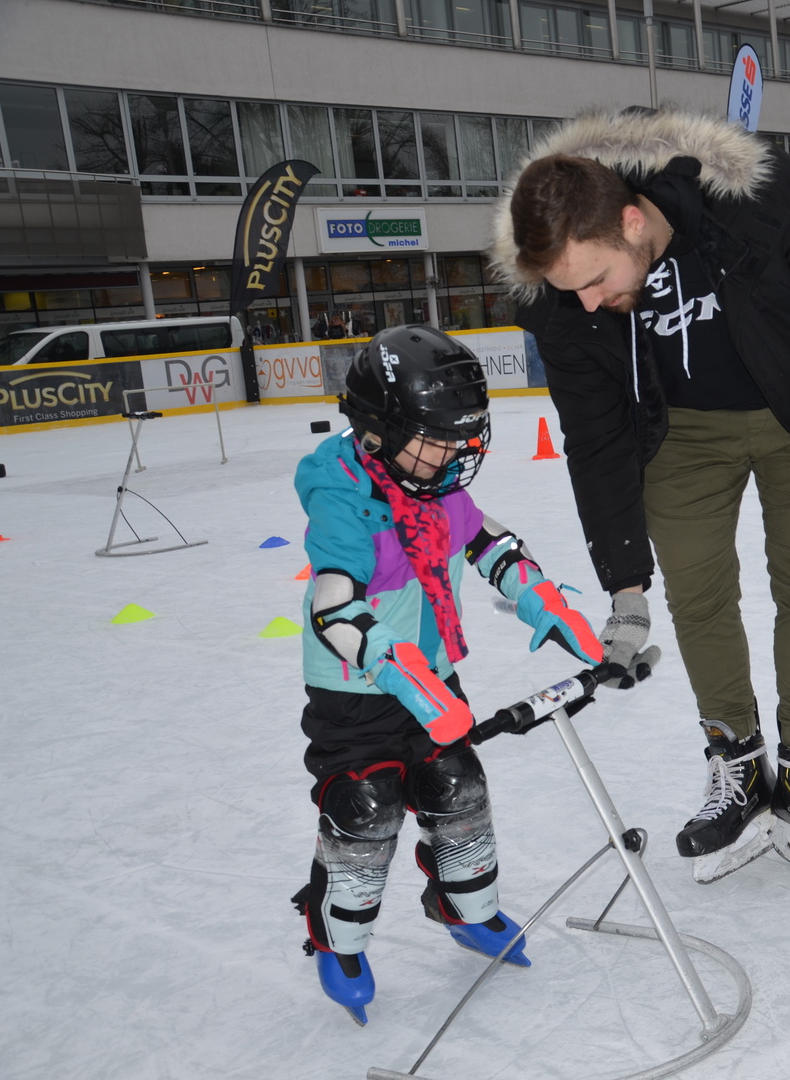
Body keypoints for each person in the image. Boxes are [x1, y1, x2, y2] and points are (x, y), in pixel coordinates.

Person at [486, 107, 790, 889]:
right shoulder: (556, 297)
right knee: (698, 597)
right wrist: (624, 587)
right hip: (677, 437)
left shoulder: (752, 200)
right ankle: (735, 764)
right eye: (570, 291)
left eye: (598, 279)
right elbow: (594, 434)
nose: (588, 304)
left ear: (632, 221)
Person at [290, 324, 605, 1024]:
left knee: (456, 787)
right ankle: (337, 938)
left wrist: (540, 599)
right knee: (366, 806)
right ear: (377, 431)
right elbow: (332, 607)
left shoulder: (431, 485)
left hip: (430, 675)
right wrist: (395, 666)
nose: (453, 458)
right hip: (356, 691)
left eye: (463, 440)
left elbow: (487, 541)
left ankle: (467, 907)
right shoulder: (343, 498)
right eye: (437, 441)